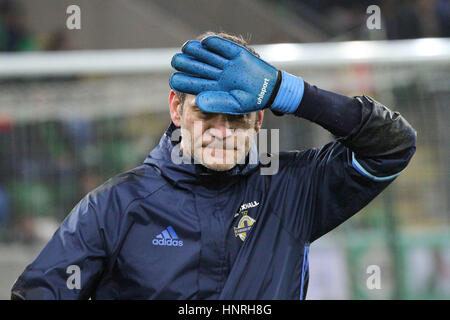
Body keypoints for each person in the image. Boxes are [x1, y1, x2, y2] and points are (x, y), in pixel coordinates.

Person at [11, 32, 416, 300]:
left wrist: (290, 92)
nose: (222, 132)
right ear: (177, 109)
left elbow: (392, 146)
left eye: (238, 117)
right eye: (207, 114)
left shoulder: (292, 188)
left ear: (259, 120)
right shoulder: (114, 206)